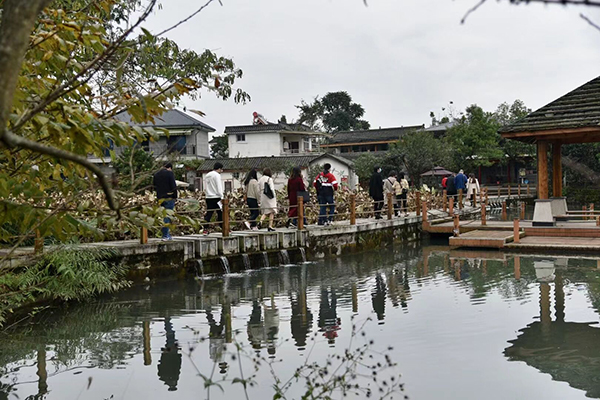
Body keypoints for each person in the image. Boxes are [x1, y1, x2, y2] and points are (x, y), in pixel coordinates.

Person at [153, 162, 177, 240]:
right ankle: (165, 235)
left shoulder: (156, 174)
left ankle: (166, 234)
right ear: (170, 168)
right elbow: (173, 186)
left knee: (162, 216)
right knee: (167, 216)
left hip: (160, 197)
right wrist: (175, 196)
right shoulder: (170, 174)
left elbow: (154, 185)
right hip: (169, 197)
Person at [203, 162, 223, 235]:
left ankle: (205, 229)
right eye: (221, 169)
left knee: (209, 214)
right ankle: (223, 227)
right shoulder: (217, 175)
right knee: (220, 213)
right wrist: (222, 197)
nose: (221, 171)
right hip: (216, 197)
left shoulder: (208, 175)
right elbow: (219, 186)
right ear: (219, 169)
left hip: (208, 197)